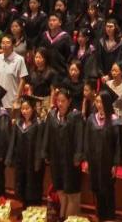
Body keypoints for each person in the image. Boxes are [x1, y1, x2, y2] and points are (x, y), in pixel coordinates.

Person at [44, 86, 85, 218]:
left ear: (69, 101)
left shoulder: (75, 116)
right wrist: (46, 153)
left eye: (63, 101)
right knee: (60, 189)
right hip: (56, 159)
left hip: (70, 160)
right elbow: (47, 135)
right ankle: (62, 216)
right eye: (58, 101)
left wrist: (78, 156)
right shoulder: (52, 115)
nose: (60, 104)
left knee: (72, 192)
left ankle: (70, 218)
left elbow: (79, 137)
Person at [84, 89, 121, 222]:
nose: (98, 105)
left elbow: (118, 144)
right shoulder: (91, 119)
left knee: (108, 190)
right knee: (97, 189)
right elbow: (87, 140)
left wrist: (115, 164)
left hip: (107, 162)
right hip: (94, 161)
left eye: (101, 102)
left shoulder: (115, 121)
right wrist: (87, 160)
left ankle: (109, 217)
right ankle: (99, 216)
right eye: (97, 101)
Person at [7, 95, 44, 207]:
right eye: (23, 109)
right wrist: (10, 158)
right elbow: (13, 142)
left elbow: (40, 144)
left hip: (33, 161)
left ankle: (33, 210)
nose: (24, 111)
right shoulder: (18, 123)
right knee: (21, 184)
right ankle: (24, 208)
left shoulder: (38, 124)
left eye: (27, 108)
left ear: (33, 109)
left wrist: (38, 162)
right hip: (21, 161)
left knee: (32, 186)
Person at [0, 33, 28, 110]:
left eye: (8, 43)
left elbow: (22, 80)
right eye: (3, 43)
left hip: (12, 100)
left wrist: (17, 99)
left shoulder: (19, 59)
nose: (5, 45)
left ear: (13, 45)